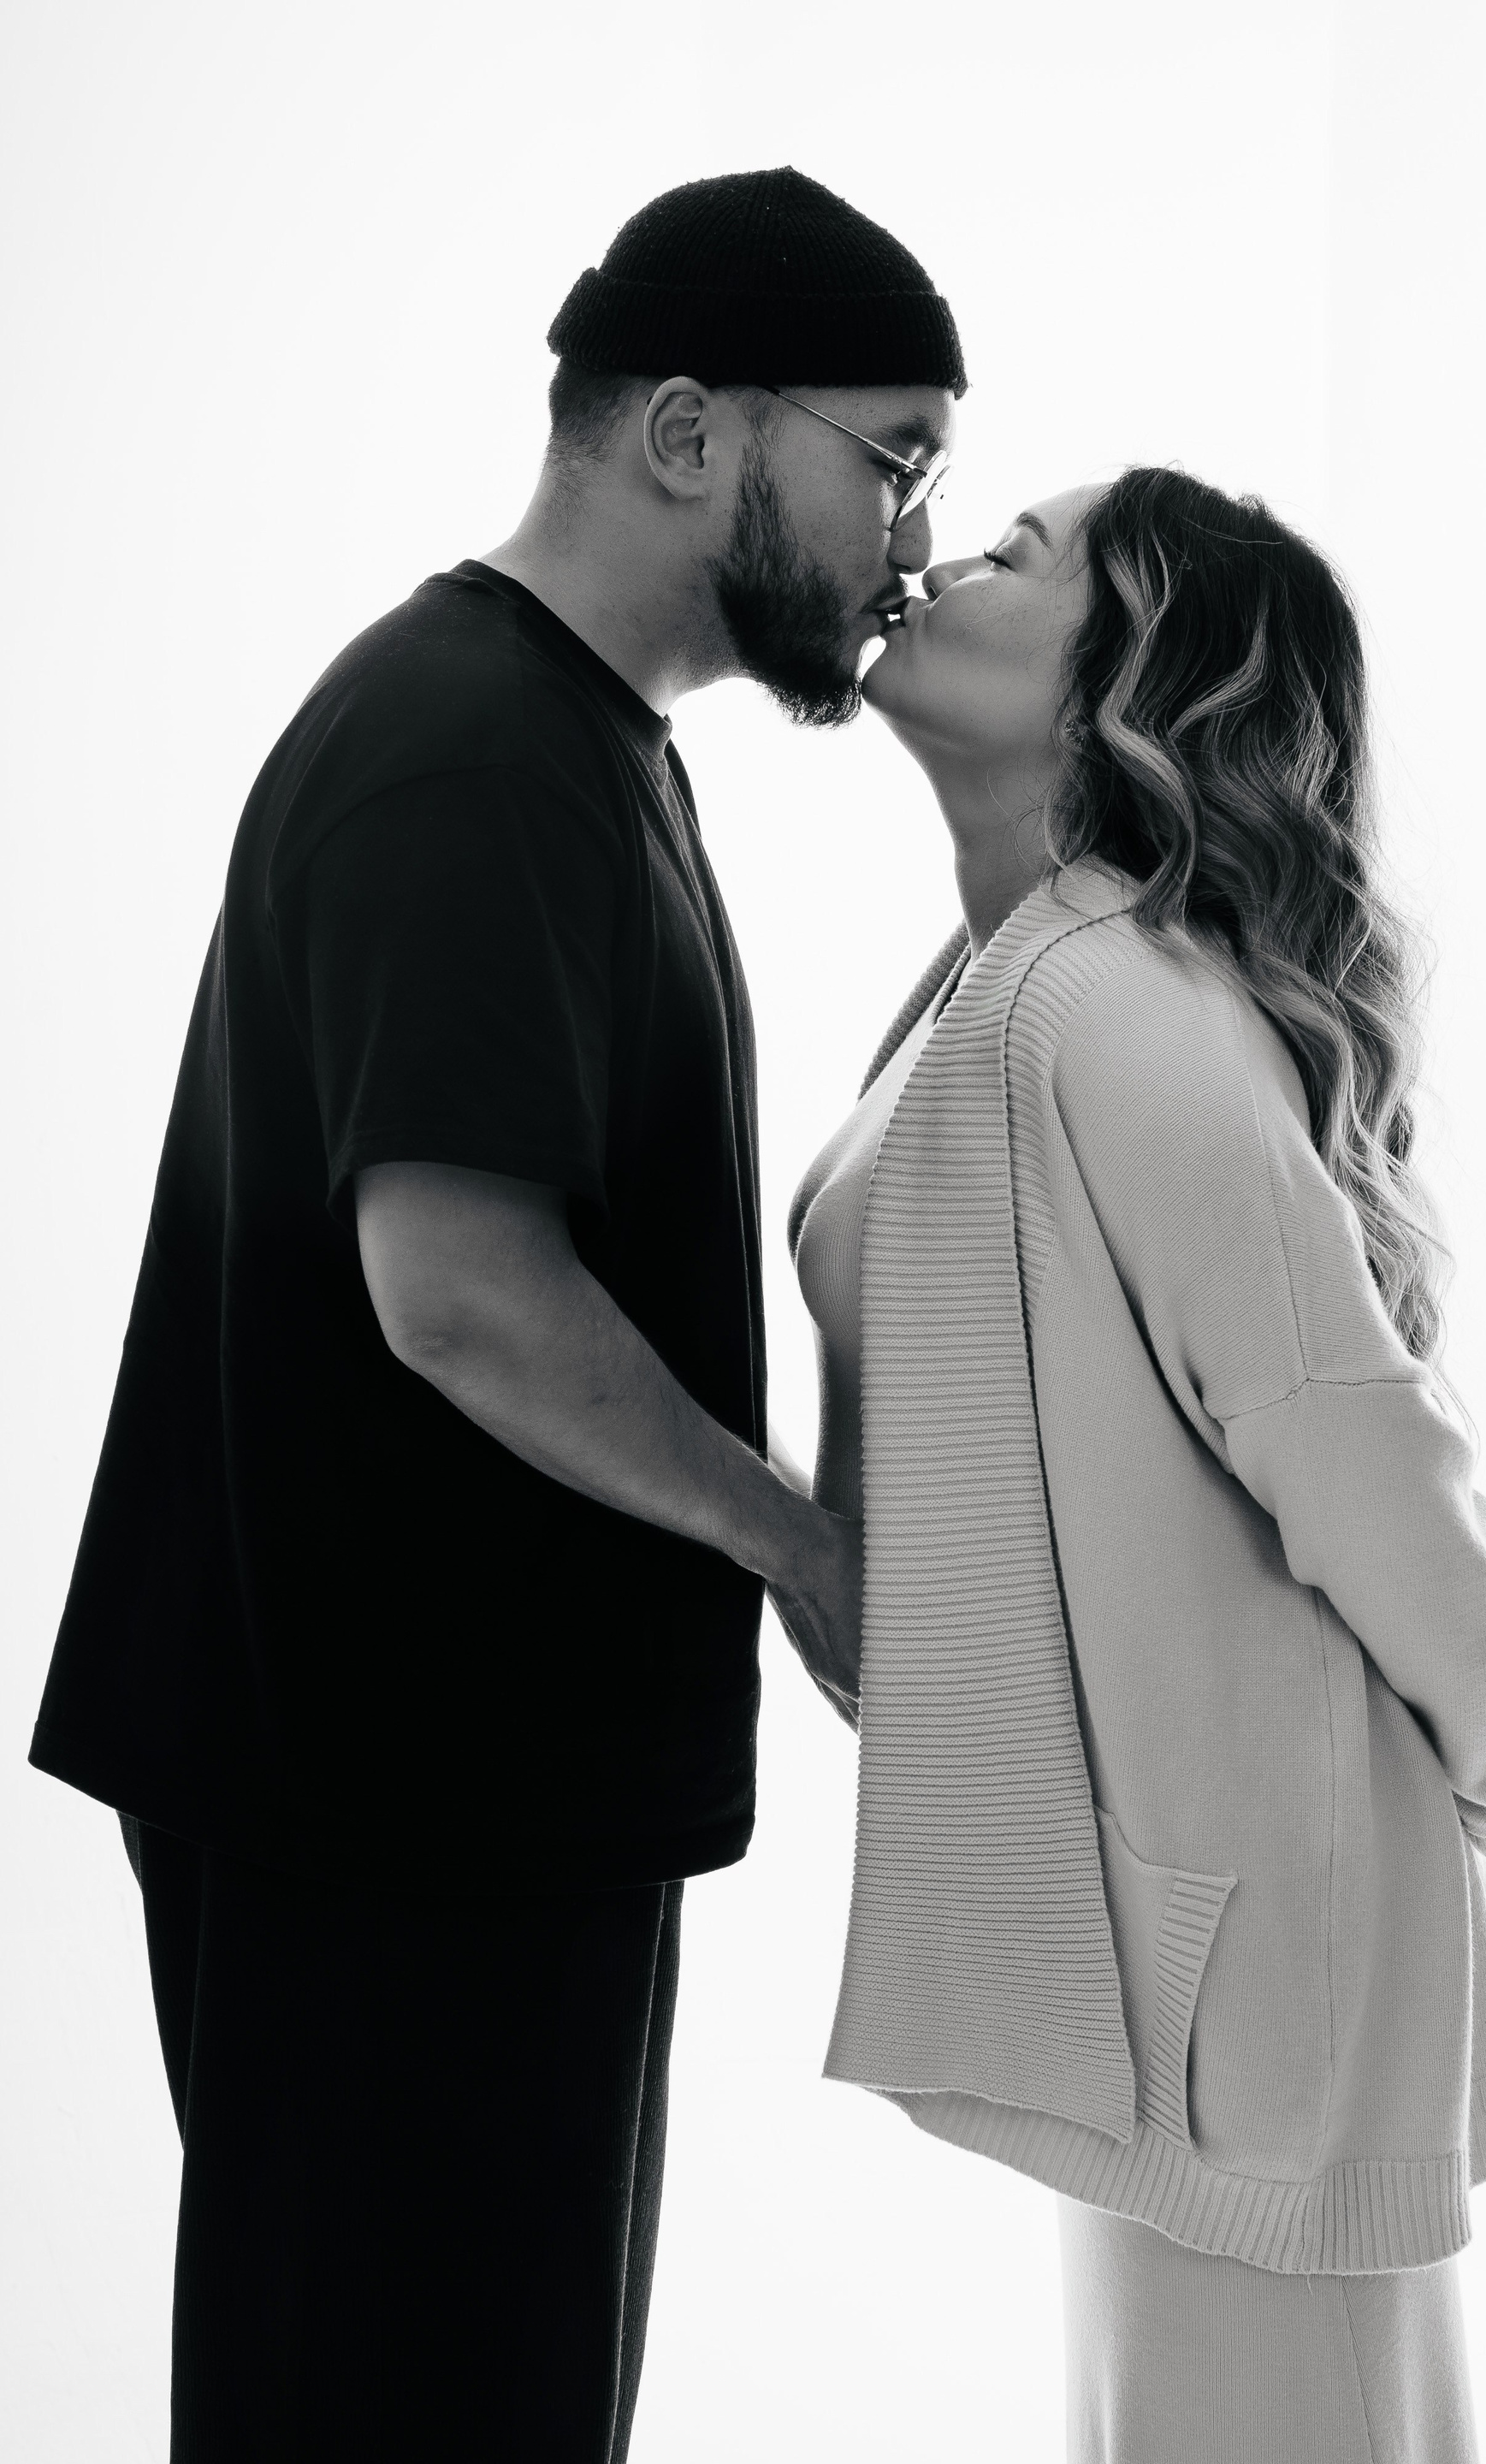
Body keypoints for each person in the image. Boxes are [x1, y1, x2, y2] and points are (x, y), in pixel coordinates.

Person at [27, 166, 962, 2464]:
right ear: (689, 432)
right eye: (894, 461)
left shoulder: (572, 744)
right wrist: (801, 1544)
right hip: (390, 1823)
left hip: (456, 1804)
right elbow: (458, 1293)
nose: (915, 545)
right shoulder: (472, 751)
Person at [788, 466, 1486, 2461]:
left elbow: (1349, 1431)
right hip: (1178, 1914)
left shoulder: (1117, 1001)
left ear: (1130, 679)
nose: (947, 559)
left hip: (1262, 1935)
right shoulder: (1015, 979)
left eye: (1019, 551)